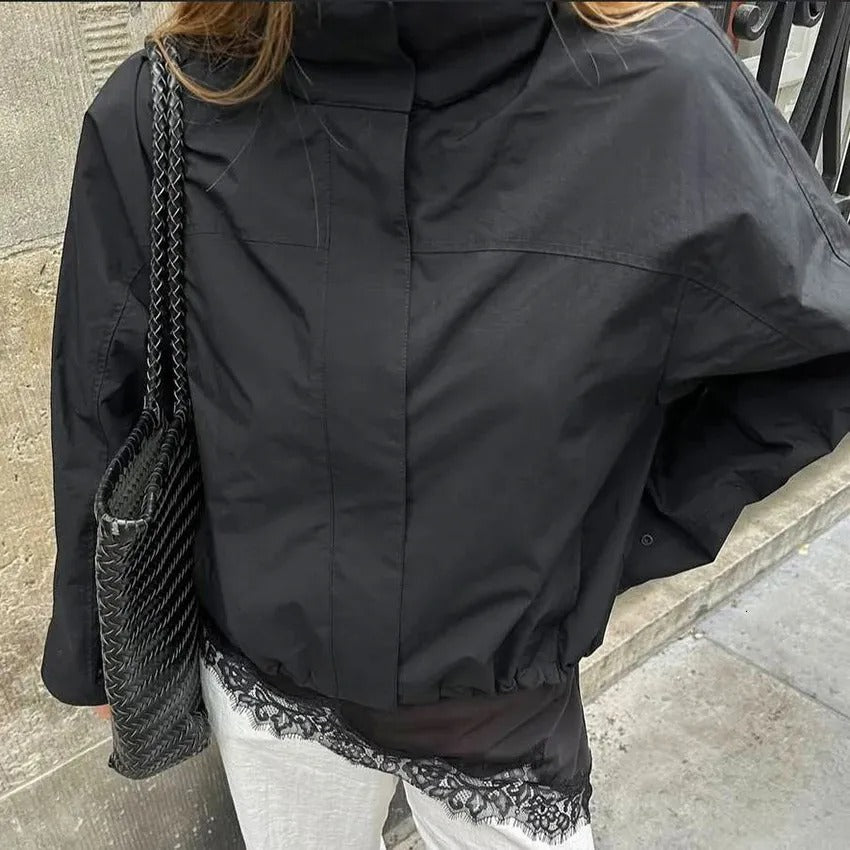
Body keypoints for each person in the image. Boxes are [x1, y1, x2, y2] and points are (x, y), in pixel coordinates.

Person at [41, 2, 850, 848]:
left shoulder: (664, 93)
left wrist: (616, 532)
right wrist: (97, 651)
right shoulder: (171, 102)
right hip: (264, 688)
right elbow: (99, 393)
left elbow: (816, 348)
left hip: (499, 712)